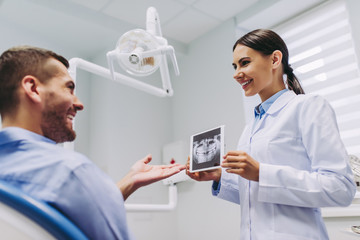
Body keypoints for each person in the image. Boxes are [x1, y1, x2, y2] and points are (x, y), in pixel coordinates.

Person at [186, 29, 356, 240]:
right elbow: (259, 196)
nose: (236, 73)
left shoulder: (309, 107)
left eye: (244, 62)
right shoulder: (251, 127)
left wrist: (261, 173)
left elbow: (340, 189)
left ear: (275, 59)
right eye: (235, 66)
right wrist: (219, 177)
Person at [0, 46, 185, 239]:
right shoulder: (72, 172)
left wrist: (129, 181)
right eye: (69, 88)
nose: (79, 103)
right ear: (33, 89)